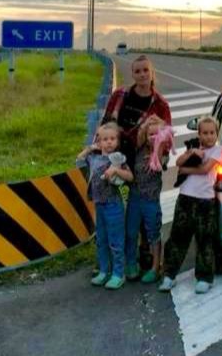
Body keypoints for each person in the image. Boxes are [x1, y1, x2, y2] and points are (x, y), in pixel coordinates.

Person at [102, 55, 172, 272]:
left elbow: (167, 138)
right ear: (132, 74)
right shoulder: (120, 95)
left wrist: (158, 156)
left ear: (152, 73)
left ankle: (145, 252)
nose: (142, 74)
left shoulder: (160, 104)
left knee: (142, 210)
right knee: (112, 207)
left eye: (145, 70)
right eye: (137, 71)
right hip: (116, 157)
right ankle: (112, 256)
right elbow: (106, 124)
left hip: (141, 163)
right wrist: (100, 150)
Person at [158, 115, 222, 295]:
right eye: (205, 133)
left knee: (205, 239)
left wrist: (186, 169)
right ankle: (169, 274)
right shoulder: (194, 148)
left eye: (212, 133)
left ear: (216, 134)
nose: (208, 136)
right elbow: (178, 162)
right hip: (185, 197)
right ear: (199, 134)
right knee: (178, 237)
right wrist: (190, 153)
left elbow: (205, 169)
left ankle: (204, 277)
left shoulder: (218, 151)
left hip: (205, 200)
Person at [77, 123, 135, 290]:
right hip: (99, 205)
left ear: (117, 141)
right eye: (105, 139)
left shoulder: (118, 159)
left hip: (113, 205)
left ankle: (118, 273)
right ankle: (104, 270)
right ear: (99, 141)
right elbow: (78, 160)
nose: (109, 142)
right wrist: (90, 148)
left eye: (112, 139)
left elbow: (130, 177)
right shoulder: (94, 158)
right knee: (101, 239)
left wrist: (116, 171)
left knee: (116, 240)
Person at [125, 115, 171, 283]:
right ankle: (131, 263)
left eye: (157, 134)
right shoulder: (138, 151)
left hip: (150, 200)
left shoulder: (162, 153)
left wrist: (160, 144)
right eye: (150, 134)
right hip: (134, 198)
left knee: (153, 233)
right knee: (131, 232)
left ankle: (155, 267)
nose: (153, 137)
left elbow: (158, 164)